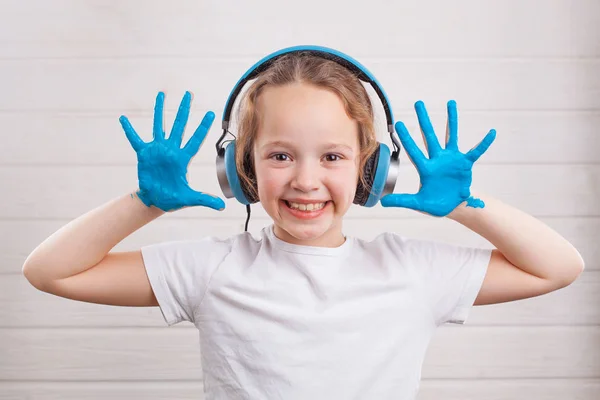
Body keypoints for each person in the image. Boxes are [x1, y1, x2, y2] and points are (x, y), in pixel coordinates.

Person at [22, 48, 585, 399]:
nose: (306, 181)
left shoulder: (410, 269)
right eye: (280, 156)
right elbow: (51, 273)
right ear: (241, 169)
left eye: (334, 157)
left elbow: (559, 267)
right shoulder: (212, 267)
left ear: (373, 170)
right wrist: (143, 203)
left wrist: (467, 205)